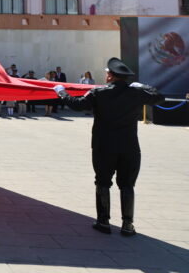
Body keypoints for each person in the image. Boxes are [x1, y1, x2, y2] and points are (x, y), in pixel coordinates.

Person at [54, 57, 163, 236]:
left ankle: (103, 221)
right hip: (129, 147)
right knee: (127, 185)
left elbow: (77, 105)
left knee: (103, 182)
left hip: (104, 146)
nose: (106, 76)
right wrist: (142, 86)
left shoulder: (100, 93)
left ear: (111, 76)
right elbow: (159, 97)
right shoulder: (135, 93)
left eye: (107, 74)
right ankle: (128, 225)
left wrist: (61, 92)